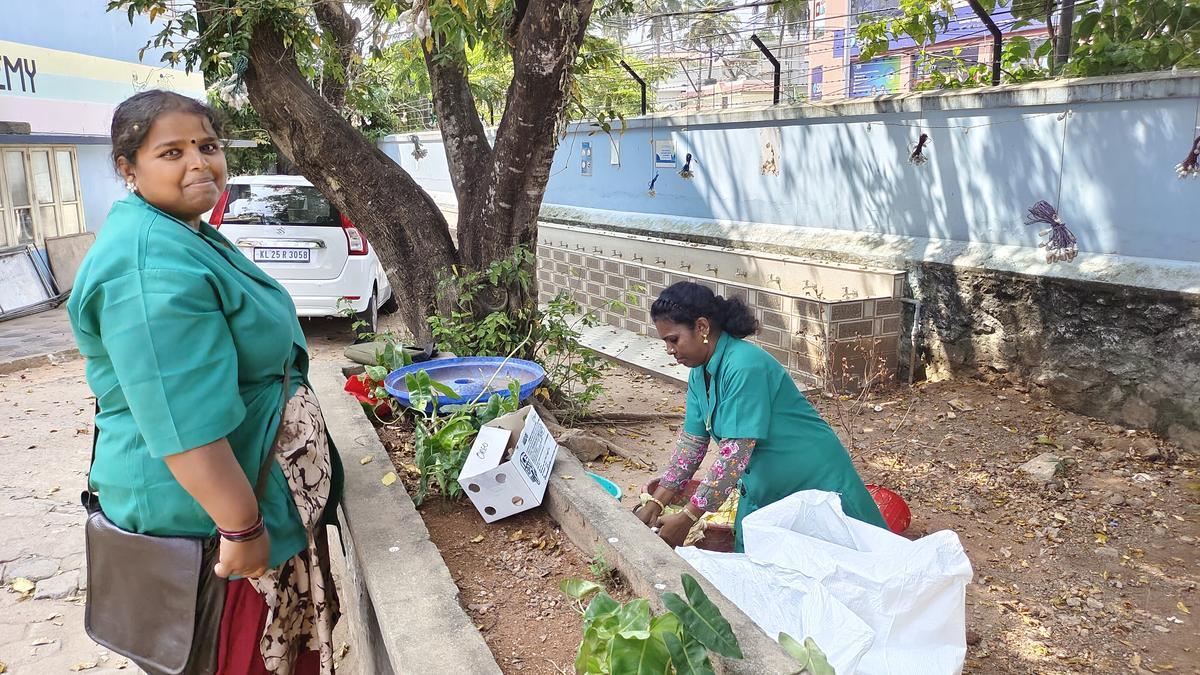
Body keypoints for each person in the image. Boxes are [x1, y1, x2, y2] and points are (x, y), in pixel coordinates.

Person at [67, 90, 343, 674]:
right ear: (127, 167)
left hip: (241, 503)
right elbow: (184, 420)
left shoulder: (182, 231)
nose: (198, 163)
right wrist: (241, 528)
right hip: (205, 530)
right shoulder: (147, 262)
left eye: (208, 146)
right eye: (172, 151)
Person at [635, 282, 887, 551]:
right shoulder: (700, 373)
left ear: (702, 327)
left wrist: (687, 518)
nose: (669, 350)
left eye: (673, 339)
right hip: (763, 486)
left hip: (814, 479)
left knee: (850, 563)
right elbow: (692, 445)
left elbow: (734, 453)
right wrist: (656, 502)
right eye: (665, 342)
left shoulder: (744, 365)